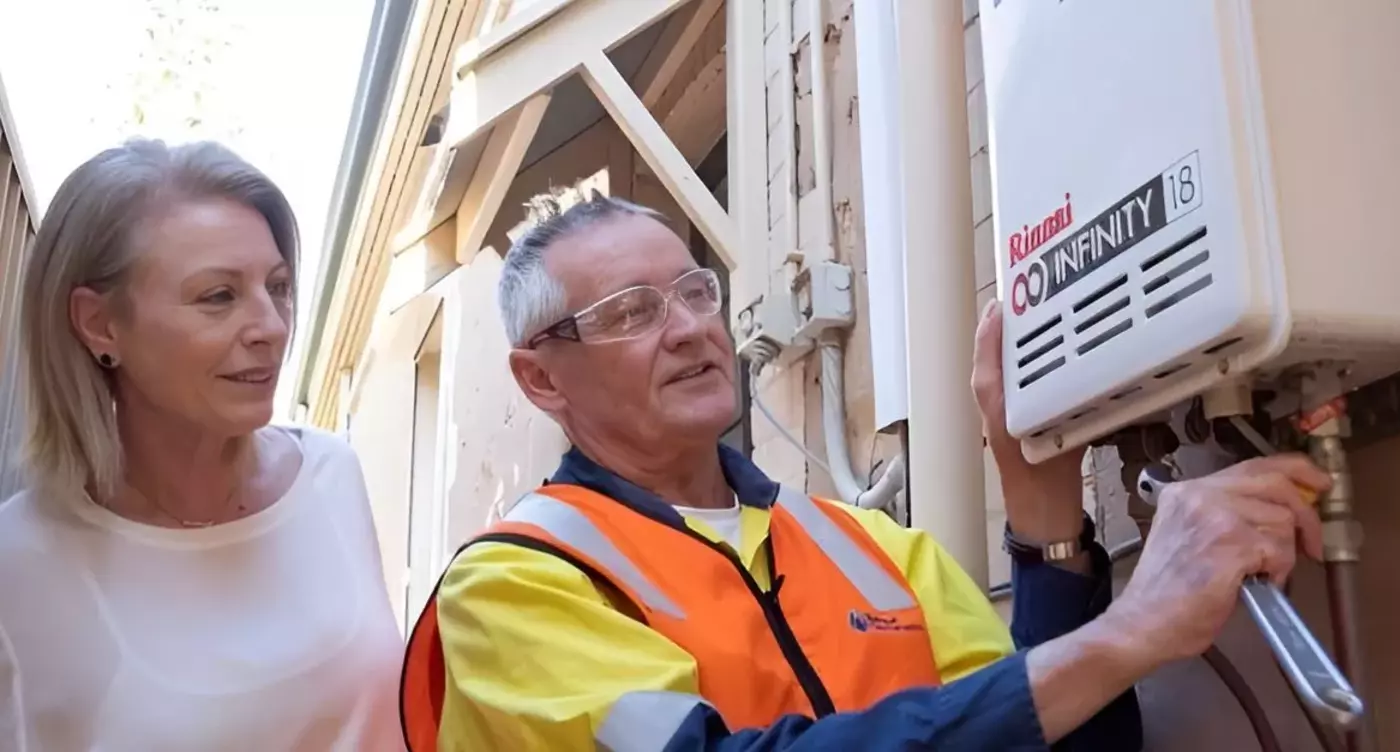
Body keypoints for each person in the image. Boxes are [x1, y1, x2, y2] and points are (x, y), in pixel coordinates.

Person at [399, 193, 1329, 751]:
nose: (688, 329)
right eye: (630, 312)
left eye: (694, 292)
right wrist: (1132, 627)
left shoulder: (870, 547)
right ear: (539, 377)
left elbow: (1056, 733)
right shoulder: (513, 586)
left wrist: (1043, 510)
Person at [0, 140, 405, 751]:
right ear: (100, 324)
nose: (272, 326)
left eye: (278, 286)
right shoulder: (21, 563)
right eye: (219, 296)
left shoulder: (332, 474)